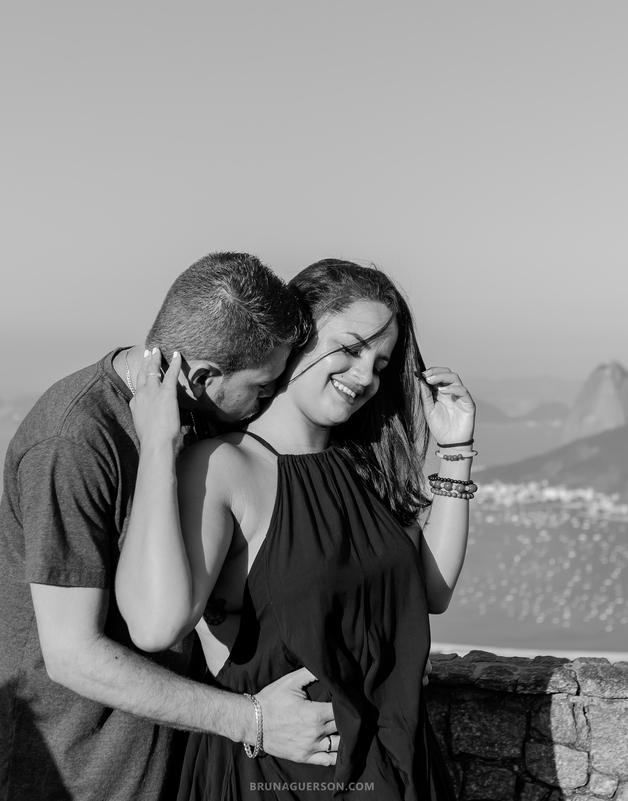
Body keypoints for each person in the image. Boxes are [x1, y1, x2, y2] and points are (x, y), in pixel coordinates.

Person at [0, 253, 339, 801]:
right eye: (262, 387)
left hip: (166, 769)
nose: (268, 400)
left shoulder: (201, 416)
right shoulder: (74, 442)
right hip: (70, 780)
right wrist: (253, 721)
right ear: (202, 376)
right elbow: (72, 655)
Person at [118, 259, 475, 799]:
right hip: (278, 776)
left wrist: (455, 450)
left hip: (395, 764)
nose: (365, 377)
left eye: (380, 364)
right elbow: (153, 626)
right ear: (297, 340)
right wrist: (158, 447)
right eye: (350, 348)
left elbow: (430, 593)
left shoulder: (361, 466)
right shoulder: (223, 468)